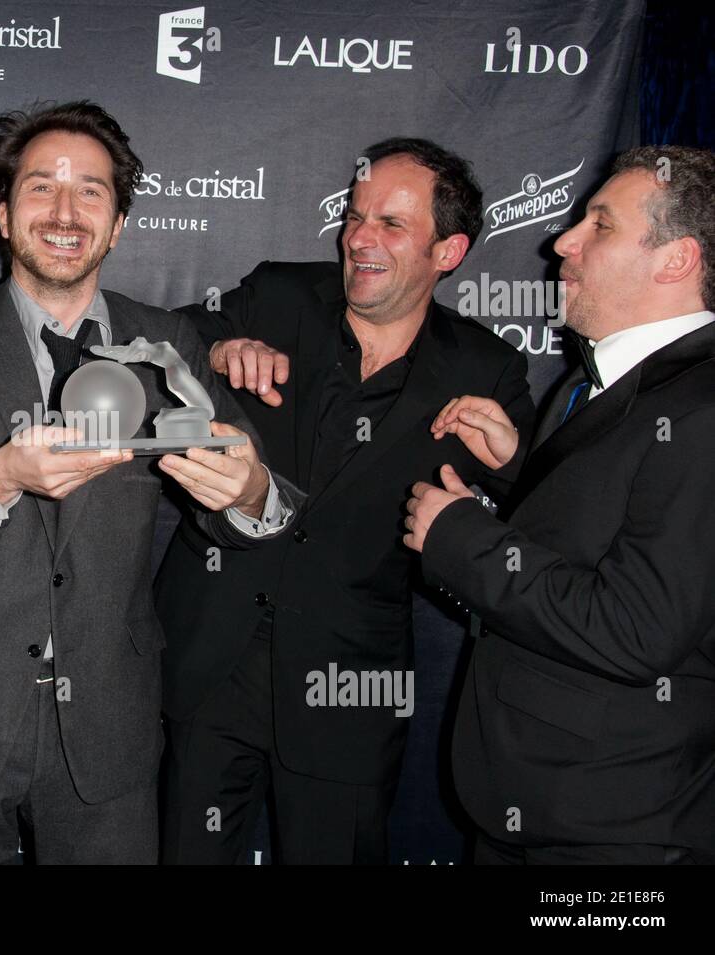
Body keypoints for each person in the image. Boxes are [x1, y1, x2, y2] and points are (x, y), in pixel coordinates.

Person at [0, 101, 299, 865]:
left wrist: (250, 489)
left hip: (109, 727)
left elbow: (262, 500)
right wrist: (0, 474)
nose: (65, 212)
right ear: (2, 214)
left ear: (119, 223)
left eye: (91, 191)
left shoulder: (167, 344)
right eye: (40, 188)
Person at [157, 138, 536, 864]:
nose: (358, 237)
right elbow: (167, 339)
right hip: (211, 662)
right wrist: (217, 349)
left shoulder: (485, 366)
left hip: (347, 688)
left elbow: (553, 509)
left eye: (392, 224)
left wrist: (512, 460)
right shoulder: (277, 294)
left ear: (448, 252)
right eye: (357, 216)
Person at [406, 145, 715, 864]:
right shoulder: (597, 382)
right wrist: (521, 468)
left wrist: (460, 537)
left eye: (599, 226)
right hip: (532, 804)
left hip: (613, 828)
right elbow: (613, 519)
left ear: (676, 260)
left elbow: (637, 628)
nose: (562, 241)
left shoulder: (703, 411)